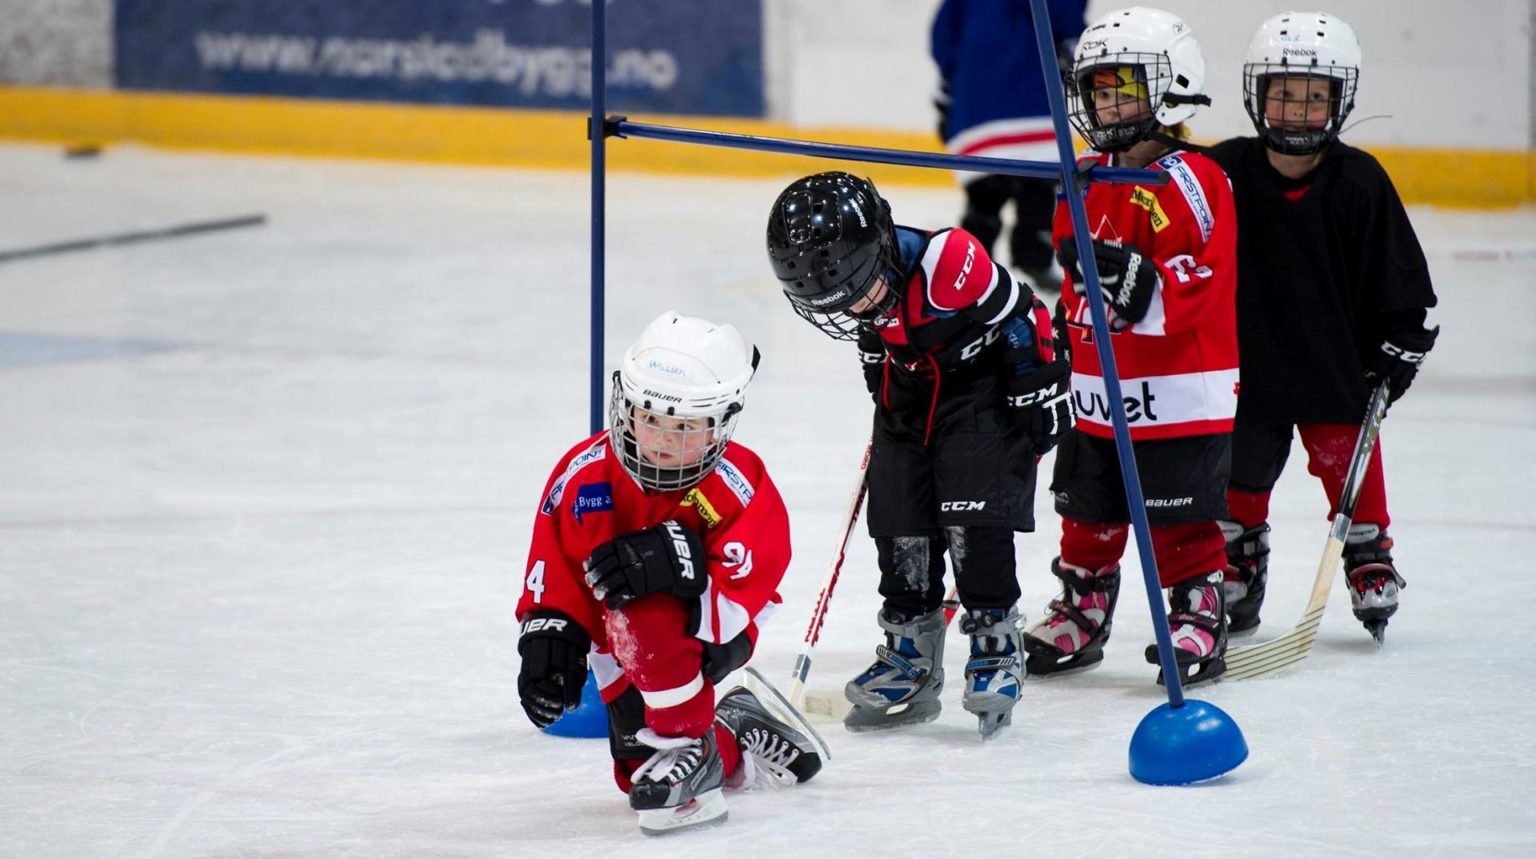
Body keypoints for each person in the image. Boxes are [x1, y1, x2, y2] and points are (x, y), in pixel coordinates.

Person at [766, 171, 1072, 737]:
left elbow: (1023, 316)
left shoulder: (949, 264)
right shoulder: (865, 283)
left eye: (859, 293)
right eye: (839, 302)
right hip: (911, 395)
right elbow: (875, 333)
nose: (855, 306)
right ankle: (910, 652)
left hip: (979, 394)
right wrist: (879, 374)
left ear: (880, 248)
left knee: (971, 518)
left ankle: (994, 643)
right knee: (898, 516)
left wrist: (1042, 385)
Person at [515, 311, 827, 836]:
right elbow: (556, 561)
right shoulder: (584, 472)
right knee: (637, 774)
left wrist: (683, 563)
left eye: (684, 427)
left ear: (718, 423)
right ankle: (732, 731)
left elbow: (756, 565)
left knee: (642, 610)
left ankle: (689, 745)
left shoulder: (737, 480)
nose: (662, 439)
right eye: (650, 417)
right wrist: (552, 632)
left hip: (710, 630)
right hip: (618, 640)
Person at [1207, 12, 1438, 644]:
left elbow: (1397, 278)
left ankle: (1367, 548)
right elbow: (1166, 196)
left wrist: (1402, 338)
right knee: (1241, 469)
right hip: (1246, 367)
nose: (1299, 109)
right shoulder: (1221, 170)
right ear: (1259, 93)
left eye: (1315, 97)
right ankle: (1237, 554)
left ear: (1340, 101)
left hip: (1337, 364)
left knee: (1347, 462)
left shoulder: (1360, 181)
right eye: (1285, 92)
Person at [1024, 6, 1238, 686]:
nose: (1105, 101)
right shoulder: (1083, 174)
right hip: (1098, 388)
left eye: (1123, 86)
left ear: (1172, 88)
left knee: (1178, 512)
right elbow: (1072, 279)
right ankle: (1083, 606)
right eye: (1096, 87)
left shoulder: (1192, 179)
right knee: (1088, 508)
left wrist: (1143, 283)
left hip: (1176, 391)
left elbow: (1204, 276)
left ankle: (1198, 610)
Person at [931, 0, 1088, 295]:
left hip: (975, 110)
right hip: (1032, 102)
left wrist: (947, 100)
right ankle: (1034, 253)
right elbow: (1068, 26)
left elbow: (943, 42)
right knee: (1037, 192)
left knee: (983, 197)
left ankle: (969, 263)